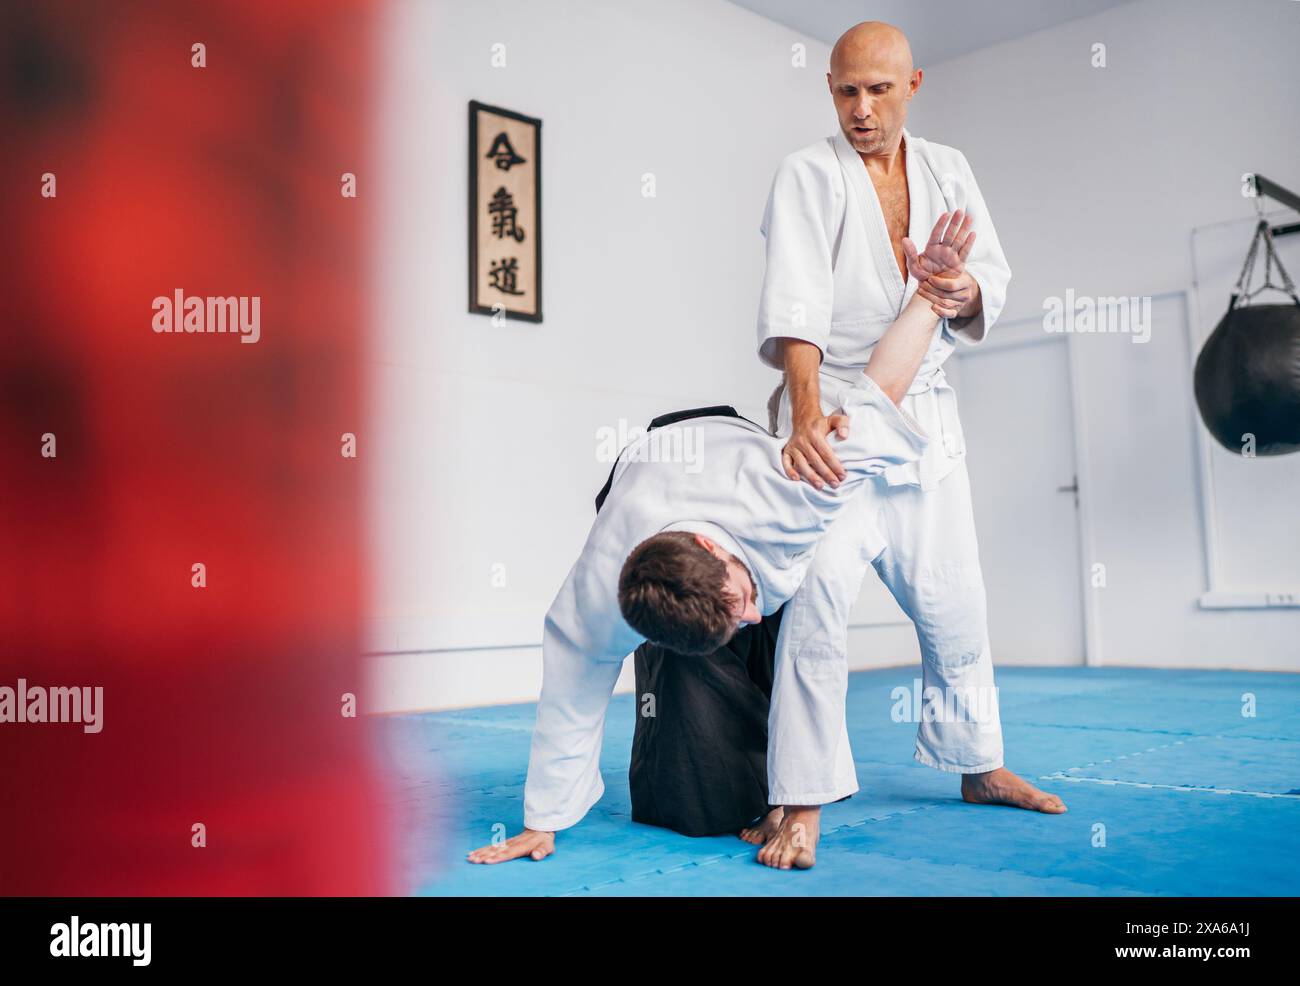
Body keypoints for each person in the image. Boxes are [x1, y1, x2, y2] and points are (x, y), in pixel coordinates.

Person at [467, 215, 974, 865]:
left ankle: (791, 794)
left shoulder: (791, 489)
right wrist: (543, 822)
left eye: (741, 601)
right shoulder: (595, 602)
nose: (753, 615)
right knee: (700, 797)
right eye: (741, 610)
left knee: (797, 613)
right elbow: (571, 695)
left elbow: (878, 397)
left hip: (728, 451)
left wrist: (929, 295)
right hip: (639, 477)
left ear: (715, 553)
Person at [753, 20, 1065, 871]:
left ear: (914, 85)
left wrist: (959, 287)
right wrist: (805, 419)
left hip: (925, 419)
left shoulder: (948, 169)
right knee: (817, 601)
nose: (862, 108)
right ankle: (802, 795)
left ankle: (978, 763)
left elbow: (987, 282)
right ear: (830, 89)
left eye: (879, 90)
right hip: (836, 416)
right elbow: (795, 308)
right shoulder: (806, 174)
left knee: (957, 600)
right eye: (847, 91)